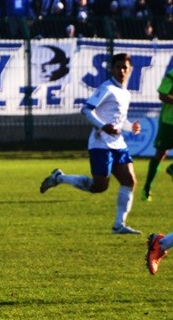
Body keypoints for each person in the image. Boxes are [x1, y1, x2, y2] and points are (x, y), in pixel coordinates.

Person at [39, 53, 142, 235]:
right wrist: (103, 126)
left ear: (130, 69)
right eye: (118, 67)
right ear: (112, 69)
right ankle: (60, 178)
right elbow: (86, 109)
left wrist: (129, 126)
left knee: (130, 180)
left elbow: (118, 120)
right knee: (100, 186)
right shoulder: (107, 88)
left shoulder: (125, 93)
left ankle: (119, 225)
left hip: (118, 144)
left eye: (125, 67)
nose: (122, 71)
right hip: (101, 143)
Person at [141, 67, 173, 201]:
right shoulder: (172, 74)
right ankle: (147, 187)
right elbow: (162, 95)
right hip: (169, 121)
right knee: (160, 153)